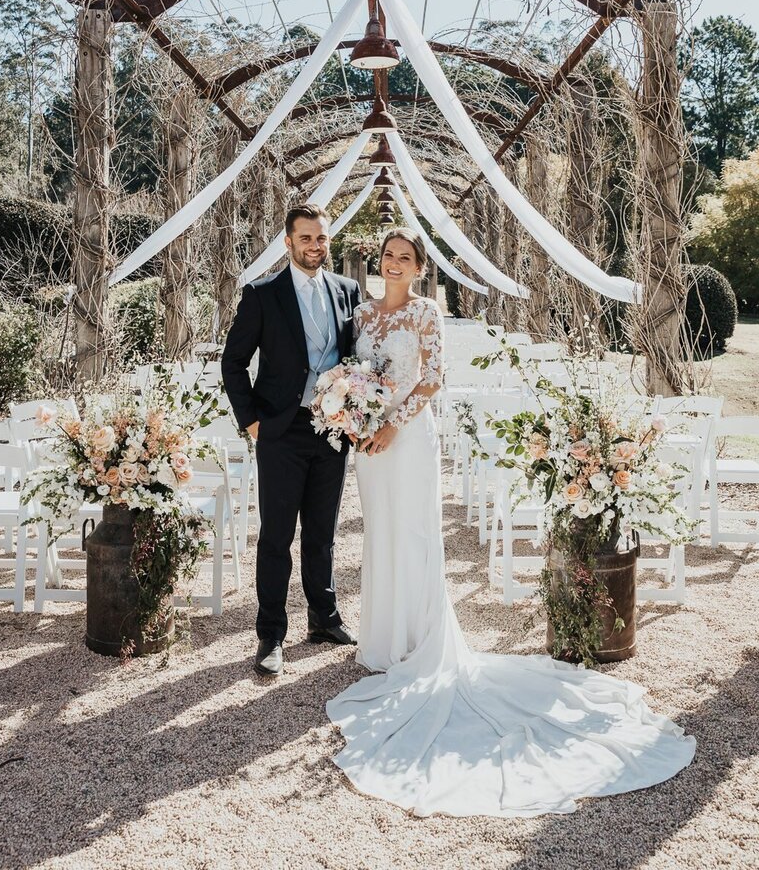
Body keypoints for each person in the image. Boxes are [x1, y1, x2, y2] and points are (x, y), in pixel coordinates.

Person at [326, 227, 696, 817]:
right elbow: (349, 376)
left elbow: (433, 377)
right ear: (379, 262)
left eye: (404, 258)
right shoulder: (361, 314)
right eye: (387, 256)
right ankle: (382, 639)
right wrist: (354, 419)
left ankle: (419, 640)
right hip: (370, 444)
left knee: (415, 533)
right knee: (380, 532)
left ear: (419, 268)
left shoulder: (426, 313)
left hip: (410, 439)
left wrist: (394, 422)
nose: (393, 264)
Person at [222, 203, 362, 678]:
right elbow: (233, 362)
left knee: (322, 533)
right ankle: (271, 634)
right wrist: (252, 422)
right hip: (280, 431)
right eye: (305, 238)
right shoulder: (262, 294)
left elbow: (358, 358)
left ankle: (324, 619)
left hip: (333, 431)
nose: (315, 246)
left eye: (321, 238)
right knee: (277, 537)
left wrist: (357, 412)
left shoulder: (348, 291)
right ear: (288, 242)